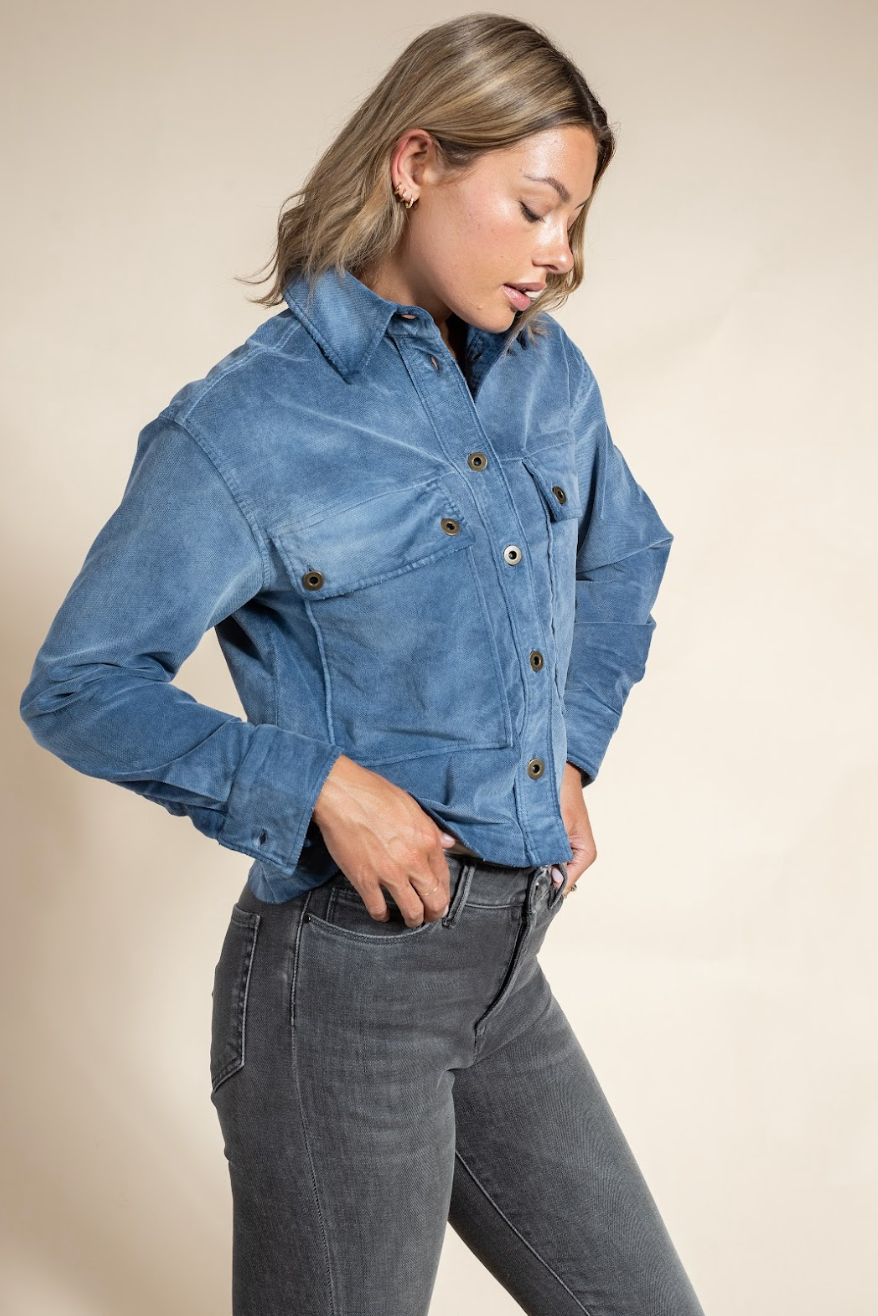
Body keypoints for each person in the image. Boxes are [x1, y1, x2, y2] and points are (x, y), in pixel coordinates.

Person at [19, 13, 707, 1316]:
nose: (558, 258)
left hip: (503, 976)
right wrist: (317, 783)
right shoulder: (247, 422)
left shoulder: (548, 380)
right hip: (342, 991)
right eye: (534, 209)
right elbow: (76, 684)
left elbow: (627, 556)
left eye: (576, 225)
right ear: (413, 165)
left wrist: (569, 748)